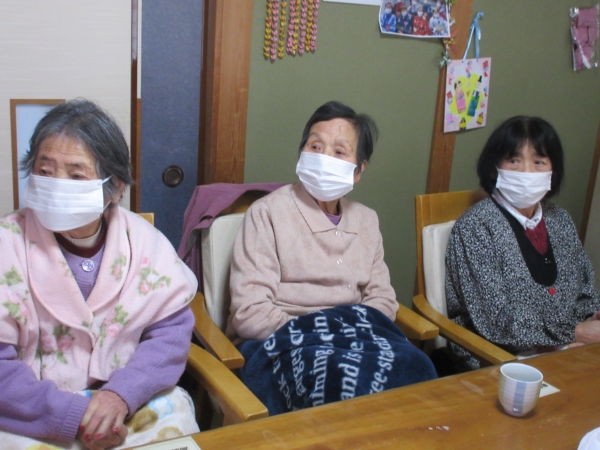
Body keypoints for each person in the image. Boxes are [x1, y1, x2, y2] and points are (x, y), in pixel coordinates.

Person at [0, 100, 199, 449]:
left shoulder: (144, 242)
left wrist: (121, 395)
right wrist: (73, 414)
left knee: (177, 413)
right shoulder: (7, 243)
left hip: (126, 401)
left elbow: (170, 335)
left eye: (76, 176)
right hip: (35, 410)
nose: (56, 185)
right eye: (45, 171)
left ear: (115, 188)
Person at [227, 101, 436, 415]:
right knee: (341, 383)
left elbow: (382, 299)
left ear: (359, 170)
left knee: (418, 367)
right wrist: (320, 334)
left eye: (339, 151)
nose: (324, 157)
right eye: (315, 146)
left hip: (356, 339)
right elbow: (250, 312)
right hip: (281, 343)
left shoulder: (367, 220)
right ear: (302, 152)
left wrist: (347, 333)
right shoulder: (267, 213)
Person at [446, 116, 600, 372]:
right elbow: (496, 322)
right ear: (494, 167)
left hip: (568, 347)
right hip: (496, 356)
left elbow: (585, 291)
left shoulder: (560, 219)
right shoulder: (476, 226)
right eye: (514, 161)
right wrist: (574, 332)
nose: (527, 172)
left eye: (539, 162)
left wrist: (592, 317)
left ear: (553, 170)